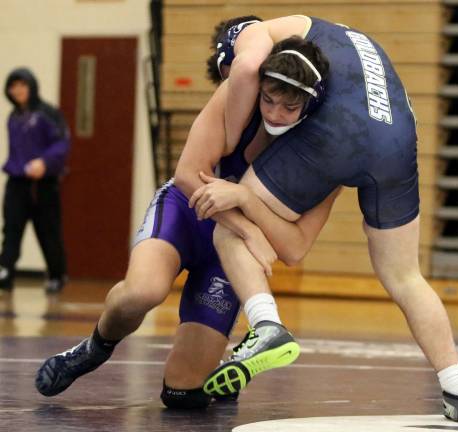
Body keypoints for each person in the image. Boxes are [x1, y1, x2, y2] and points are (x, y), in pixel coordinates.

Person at [191, 16, 458, 425]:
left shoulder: (247, 41)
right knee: (404, 277)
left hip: (338, 133)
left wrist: (232, 148)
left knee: (230, 225)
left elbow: (244, 69)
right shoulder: (325, 31)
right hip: (397, 137)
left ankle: (266, 325)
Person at [34, 33, 335, 409]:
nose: (274, 114)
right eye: (269, 100)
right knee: (143, 291)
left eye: (288, 108)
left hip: (226, 253)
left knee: (182, 395)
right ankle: (95, 347)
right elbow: (189, 176)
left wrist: (243, 203)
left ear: (310, 105)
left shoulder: (324, 152)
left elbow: (295, 247)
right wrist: (246, 227)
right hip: (187, 211)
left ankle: (217, 372)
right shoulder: (236, 95)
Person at [0, 68, 69, 294]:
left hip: (43, 185)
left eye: (22, 85)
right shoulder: (13, 117)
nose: (17, 90)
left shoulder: (48, 113)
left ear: (31, 86)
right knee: (11, 229)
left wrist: (45, 162)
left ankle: (57, 275)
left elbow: (61, 144)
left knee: (48, 231)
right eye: (13, 86)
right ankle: (5, 272)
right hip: (17, 182)